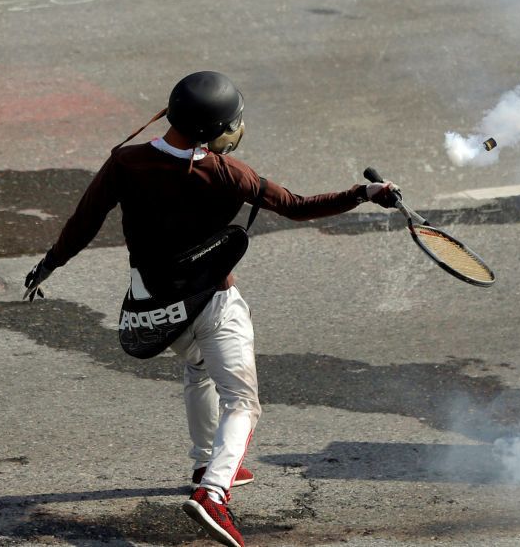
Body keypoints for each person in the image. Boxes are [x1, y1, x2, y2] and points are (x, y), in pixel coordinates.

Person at [22, 71, 398, 546]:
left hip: (155, 307)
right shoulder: (226, 173)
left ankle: (206, 459)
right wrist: (365, 193)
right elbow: (298, 207)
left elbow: (83, 223)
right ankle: (213, 493)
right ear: (216, 129)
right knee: (243, 401)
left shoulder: (125, 162)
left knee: (198, 369)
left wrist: (47, 266)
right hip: (214, 303)